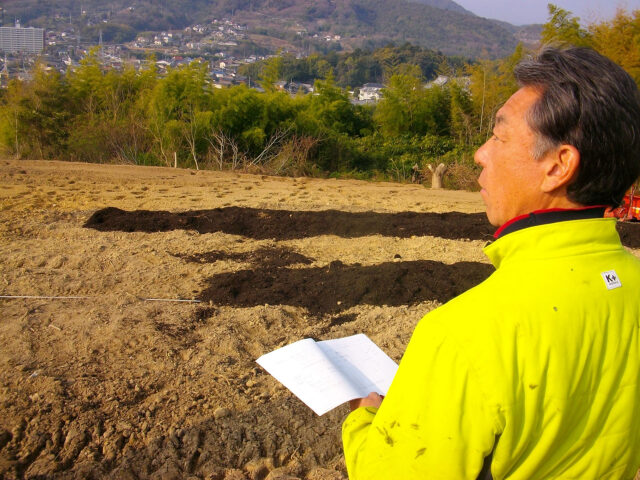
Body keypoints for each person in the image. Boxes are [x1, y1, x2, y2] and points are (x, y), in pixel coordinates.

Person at [342, 47, 640, 479]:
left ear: (559, 167)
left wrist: (365, 420)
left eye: (498, 137)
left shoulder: (461, 335)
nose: (482, 154)